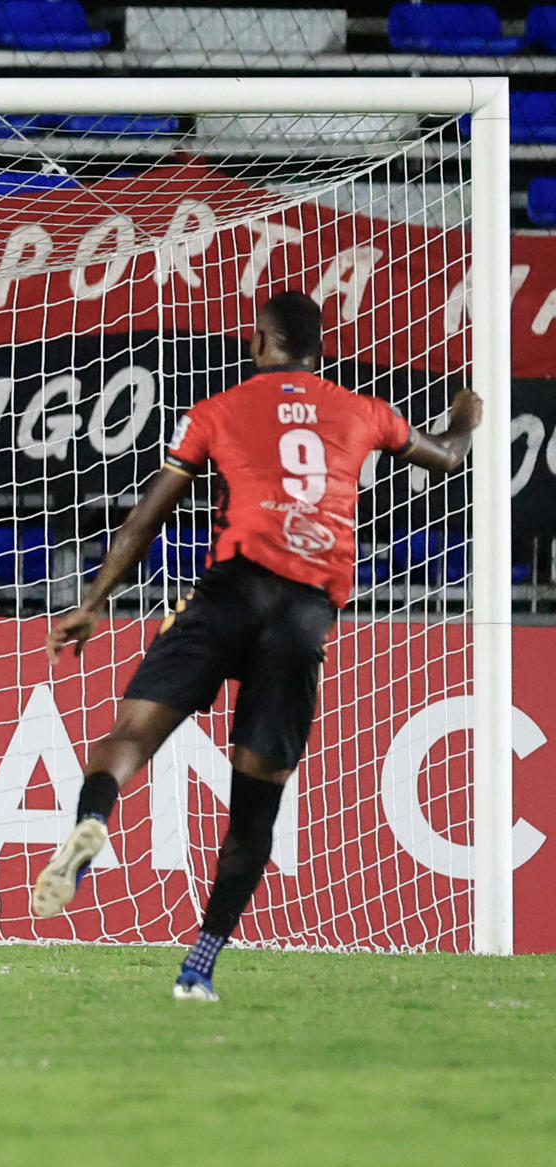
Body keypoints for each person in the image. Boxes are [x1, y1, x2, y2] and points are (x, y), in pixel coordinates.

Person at [32, 290, 482, 1001]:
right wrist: (467, 412)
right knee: (254, 808)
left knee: (128, 737)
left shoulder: (219, 409)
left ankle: (93, 821)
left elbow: (146, 518)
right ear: (319, 351)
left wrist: (91, 603)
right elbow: (449, 457)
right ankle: (199, 966)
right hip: (303, 615)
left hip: (230, 592)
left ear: (259, 344)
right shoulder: (364, 410)